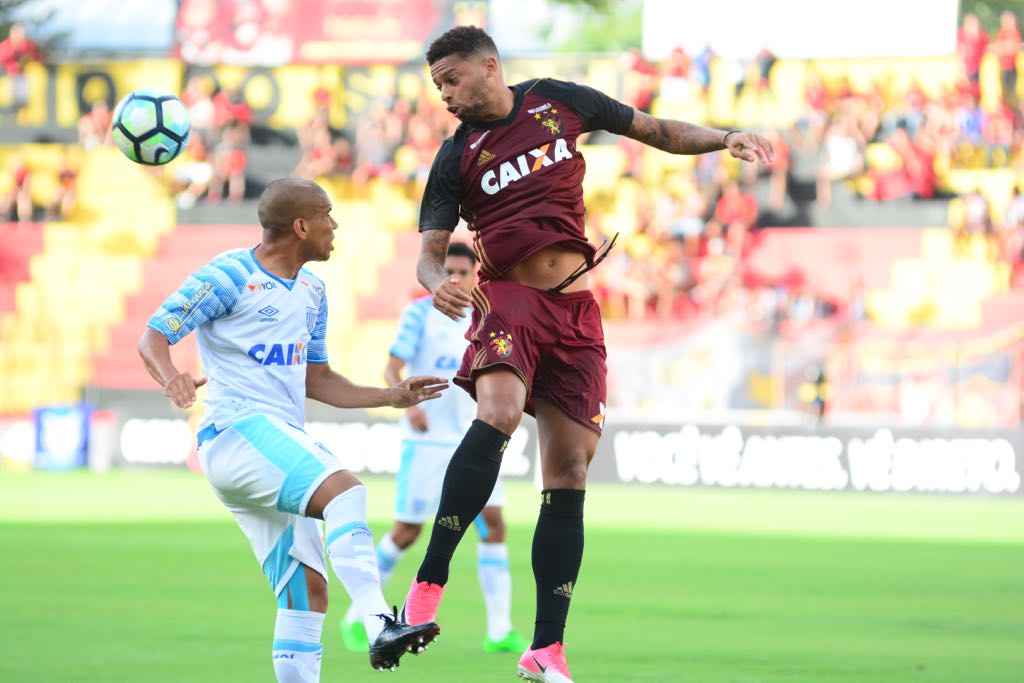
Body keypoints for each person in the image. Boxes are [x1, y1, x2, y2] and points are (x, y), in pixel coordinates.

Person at [401, 26, 773, 683]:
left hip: (575, 312)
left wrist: (723, 137)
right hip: (508, 299)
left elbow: (652, 129)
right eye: (438, 87)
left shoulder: (557, 101)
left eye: (452, 80)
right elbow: (431, 254)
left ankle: (547, 647)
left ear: (490, 66)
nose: (446, 95)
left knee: (569, 471)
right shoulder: (456, 156)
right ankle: (427, 587)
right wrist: (442, 287)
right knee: (500, 411)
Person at [137, 178, 445, 681]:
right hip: (237, 432)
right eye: (327, 214)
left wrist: (390, 396)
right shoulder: (229, 275)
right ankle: (378, 623)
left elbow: (316, 379)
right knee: (345, 493)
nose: (335, 224)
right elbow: (154, 336)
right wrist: (171, 376)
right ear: (301, 225)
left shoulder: (313, 291)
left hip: (269, 447)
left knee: (306, 592)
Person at [339, 241, 529, 655]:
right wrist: (404, 406)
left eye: (464, 270)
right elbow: (393, 363)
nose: (456, 279)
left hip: (476, 439)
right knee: (408, 531)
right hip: (427, 442)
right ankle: (358, 616)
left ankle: (499, 630)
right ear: (438, 275)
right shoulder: (419, 313)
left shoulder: (489, 317)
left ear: (477, 273)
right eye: (448, 272)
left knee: (494, 524)